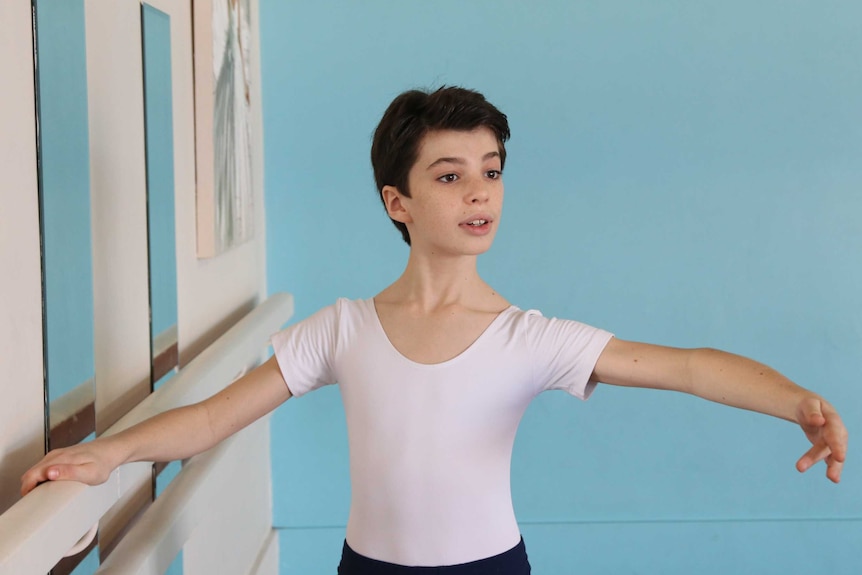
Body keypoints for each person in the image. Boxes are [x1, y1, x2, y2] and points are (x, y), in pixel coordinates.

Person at [21, 86, 848, 574]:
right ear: (399, 202)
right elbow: (211, 418)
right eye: (450, 176)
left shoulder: (528, 336)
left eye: (491, 173)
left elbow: (691, 367)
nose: (478, 193)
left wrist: (797, 401)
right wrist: (109, 453)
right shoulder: (341, 327)